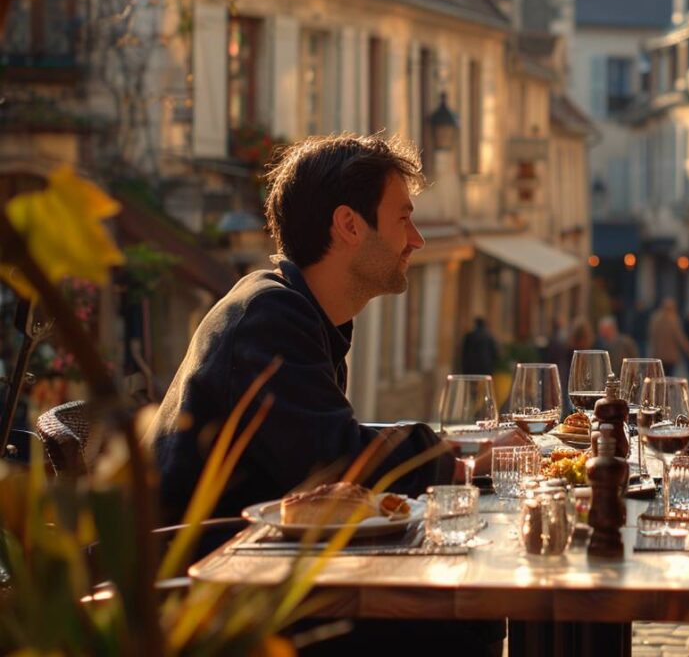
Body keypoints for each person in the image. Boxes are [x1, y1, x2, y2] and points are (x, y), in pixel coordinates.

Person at [147, 133, 528, 527]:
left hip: (247, 561)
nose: (417, 239)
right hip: (199, 572)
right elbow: (334, 462)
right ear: (349, 225)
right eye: (403, 218)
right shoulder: (269, 316)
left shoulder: (298, 311)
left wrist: (456, 451)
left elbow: (327, 440)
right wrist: (456, 463)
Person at [646, 298, 689, 376]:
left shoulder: (655, 318)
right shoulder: (673, 320)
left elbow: (651, 336)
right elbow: (680, 338)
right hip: (670, 355)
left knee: (660, 375)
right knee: (668, 375)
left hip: (658, 354)